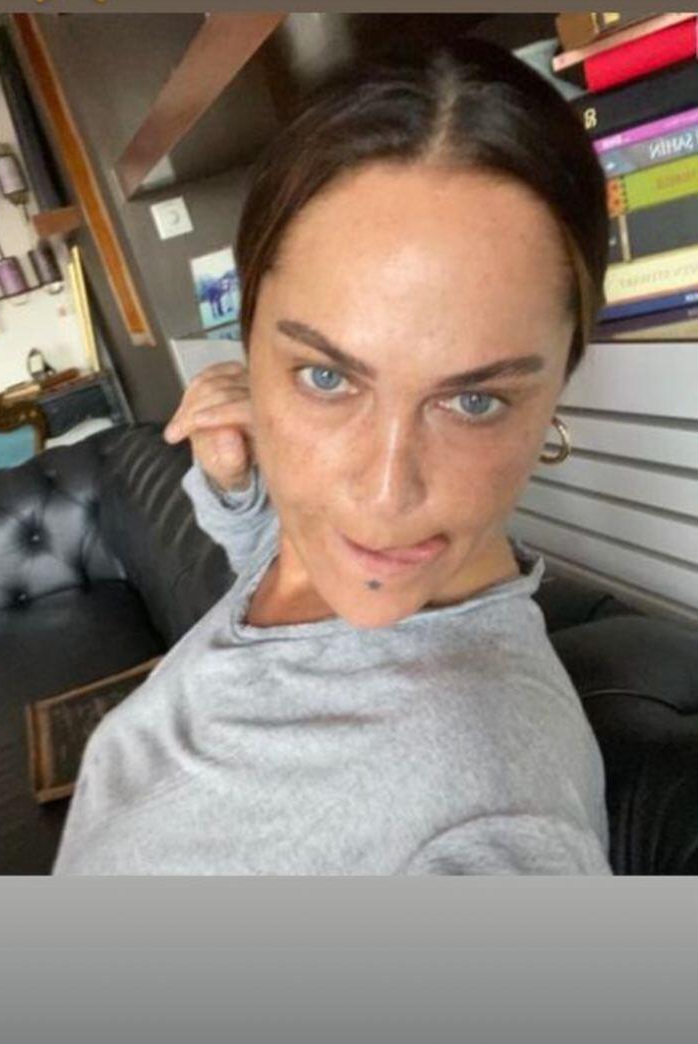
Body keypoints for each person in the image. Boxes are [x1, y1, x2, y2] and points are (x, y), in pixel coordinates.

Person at [53, 38, 612, 875]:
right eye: (327, 376)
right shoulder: (321, 556)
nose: (384, 499)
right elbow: (281, 575)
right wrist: (234, 485)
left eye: (474, 401)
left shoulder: (496, 812)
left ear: (557, 387)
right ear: (248, 348)